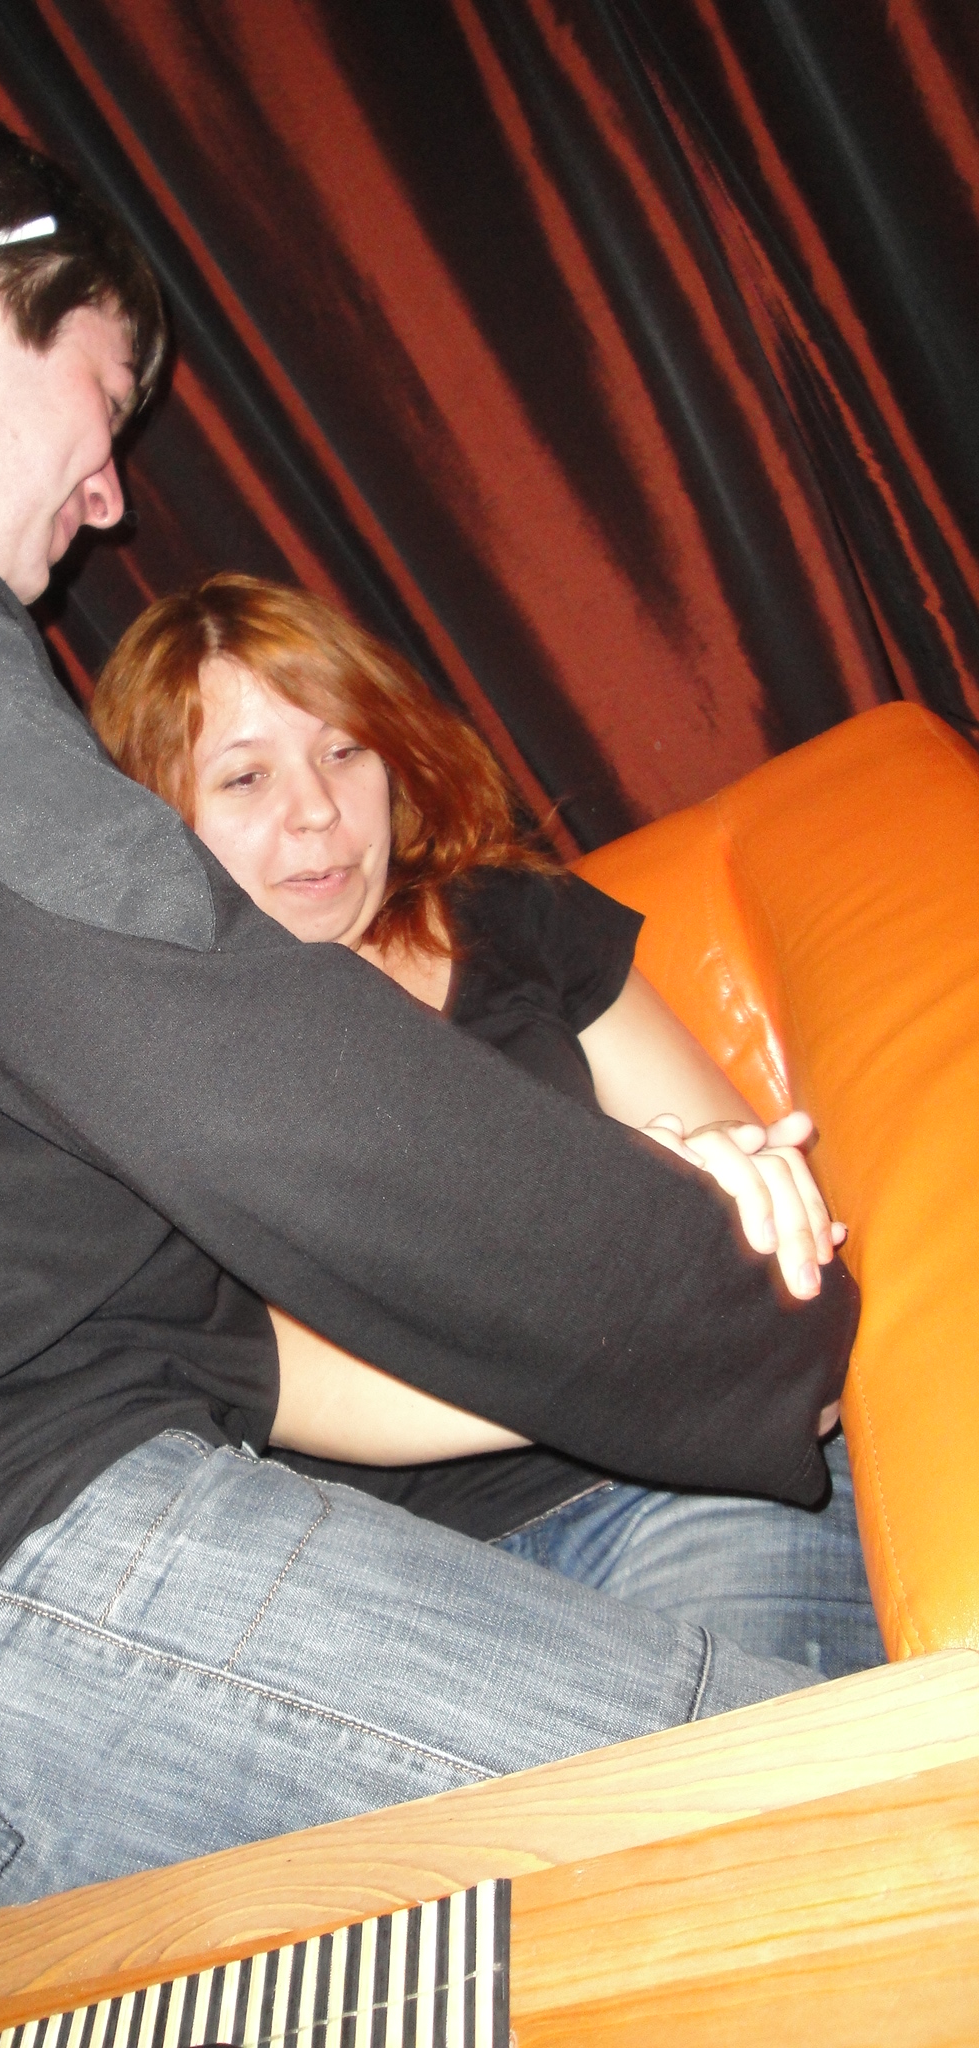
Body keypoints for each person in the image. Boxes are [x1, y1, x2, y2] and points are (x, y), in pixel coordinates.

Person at [0, 107, 858, 1920]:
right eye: (106, 391)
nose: (111, 497)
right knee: (833, 1841)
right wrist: (750, 1310)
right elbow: (219, 1050)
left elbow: (222, 1343)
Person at [91, 574, 882, 1677]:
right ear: (150, 820)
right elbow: (264, 1374)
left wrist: (712, 1248)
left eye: (344, 750)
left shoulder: (513, 919)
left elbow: (765, 1250)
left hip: (672, 1484)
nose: (316, 810)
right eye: (246, 776)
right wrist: (646, 1326)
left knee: (743, 1773)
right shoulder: (139, 1072)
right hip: (411, 1582)